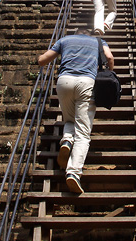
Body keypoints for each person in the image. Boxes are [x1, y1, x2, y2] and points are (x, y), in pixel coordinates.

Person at [38, 28, 115, 194]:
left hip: (64, 81)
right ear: (89, 34)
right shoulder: (99, 42)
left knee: (69, 119)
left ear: (76, 33)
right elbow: (109, 57)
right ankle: (73, 172)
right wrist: (110, 72)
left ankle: (66, 140)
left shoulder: (65, 40)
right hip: (86, 82)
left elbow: (42, 60)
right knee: (83, 133)